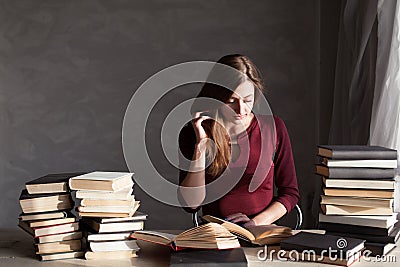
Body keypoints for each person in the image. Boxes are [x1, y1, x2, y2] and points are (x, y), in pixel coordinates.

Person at [178, 54, 299, 227]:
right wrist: (201, 147)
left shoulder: (273, 128)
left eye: (248, 100)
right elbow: (191, 205)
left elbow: (290, 193)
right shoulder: (193, 133)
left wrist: (255, 223)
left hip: (261, 231)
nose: (241, 110)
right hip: (216, 236)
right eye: (231, 101)